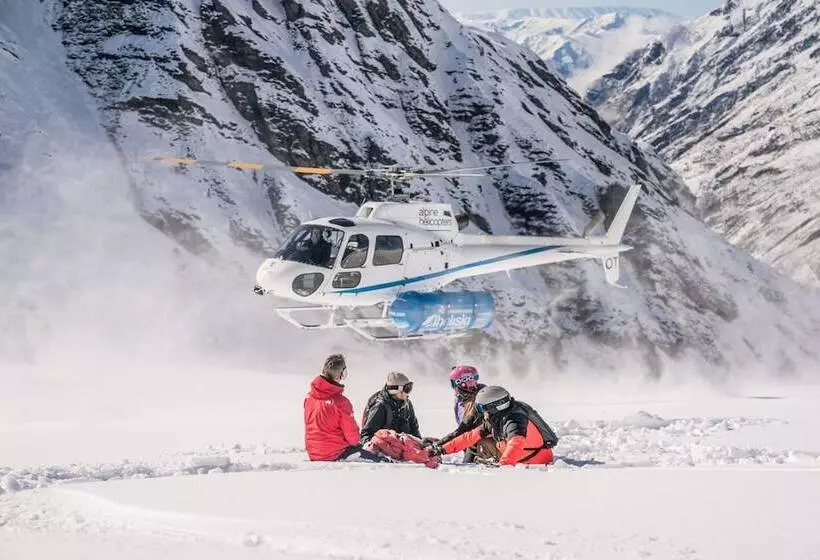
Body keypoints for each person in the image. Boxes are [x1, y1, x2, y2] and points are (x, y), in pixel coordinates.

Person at [427, 385, 558, 466]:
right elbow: (469, 436)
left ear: (494, 408)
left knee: (483, 443)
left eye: (481, 408)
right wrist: (441, 449)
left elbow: (517, 443)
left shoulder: (514, 419)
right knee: (479, 440)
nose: (481, 413)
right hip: (525, 454)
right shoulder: (497, 417)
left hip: (534, 460)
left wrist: (503, 466)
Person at [304, 354, 388, 462]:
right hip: (336, 453)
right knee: (381, 460)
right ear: (341, 374)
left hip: (314, 453)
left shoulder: (309, 397)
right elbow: (353, 437)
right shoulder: (341, 402)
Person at [425, 365, 498, 463]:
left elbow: (462, 431)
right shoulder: (463, 399)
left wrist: (438, 445)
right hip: (473, 440)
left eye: (453, 383)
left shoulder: (477, 402)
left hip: (482, 444)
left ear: (462, 383)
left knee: (468, 465)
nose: (453, 388)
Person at [360, 372, 421, 444]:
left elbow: (414, 429)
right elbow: (366, 435)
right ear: (396, 390)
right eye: (407, 389)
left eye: (410, 388)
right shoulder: (380, 406)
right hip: (384, 450)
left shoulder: (407, 404)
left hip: (403, 448)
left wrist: (420, 445)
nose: (408, 393)